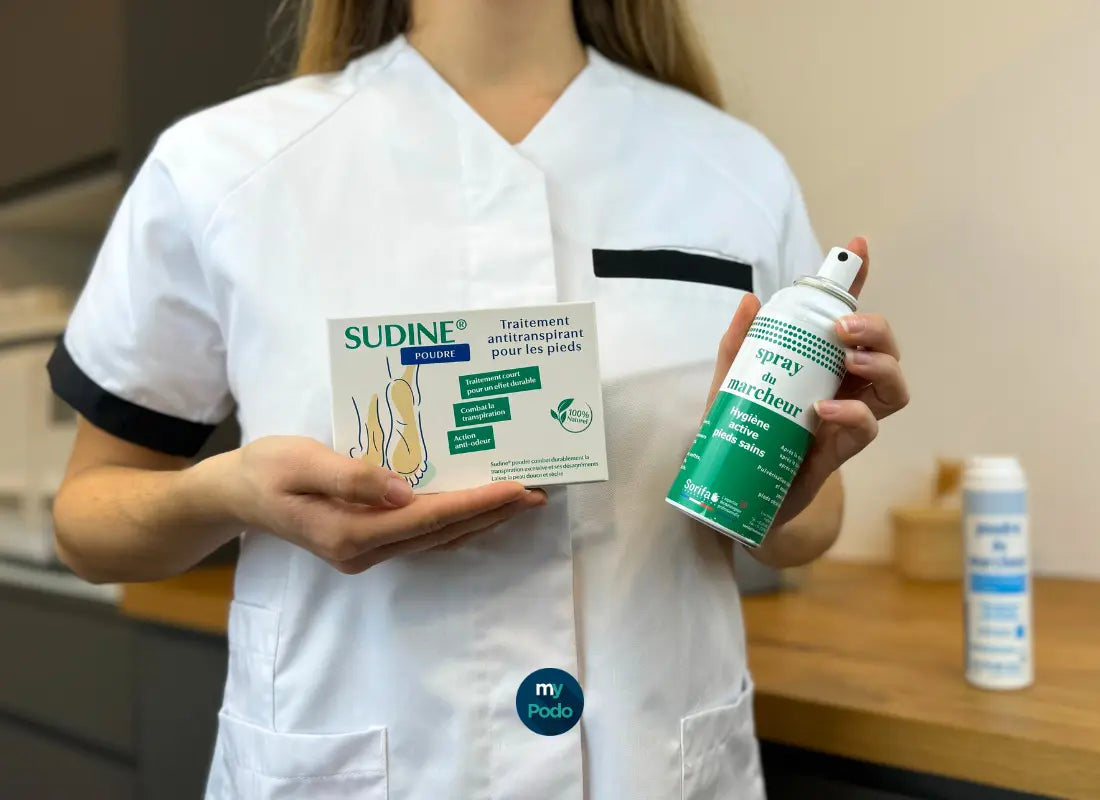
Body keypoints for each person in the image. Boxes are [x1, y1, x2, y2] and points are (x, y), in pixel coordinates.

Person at [47, 0, 909, 797]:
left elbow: (810, 522)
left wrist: (778, 495)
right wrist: (232, 494)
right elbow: (86, 521)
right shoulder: (223, 167)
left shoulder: (734, 170)